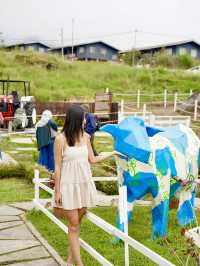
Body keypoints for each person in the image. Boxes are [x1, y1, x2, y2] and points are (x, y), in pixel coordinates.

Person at [54, 104, 118, 266]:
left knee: (75, 225)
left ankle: (69, 260)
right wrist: (57, 191)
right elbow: (58, 167)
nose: (85, 120)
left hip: (84, 185)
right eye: (83, 117)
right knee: (74, 225)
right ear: (76, 119)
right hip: (68, 186)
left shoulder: (86, 137)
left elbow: (92, 159)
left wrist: (112, 153)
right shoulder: (60, 139)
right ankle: (79, 264)